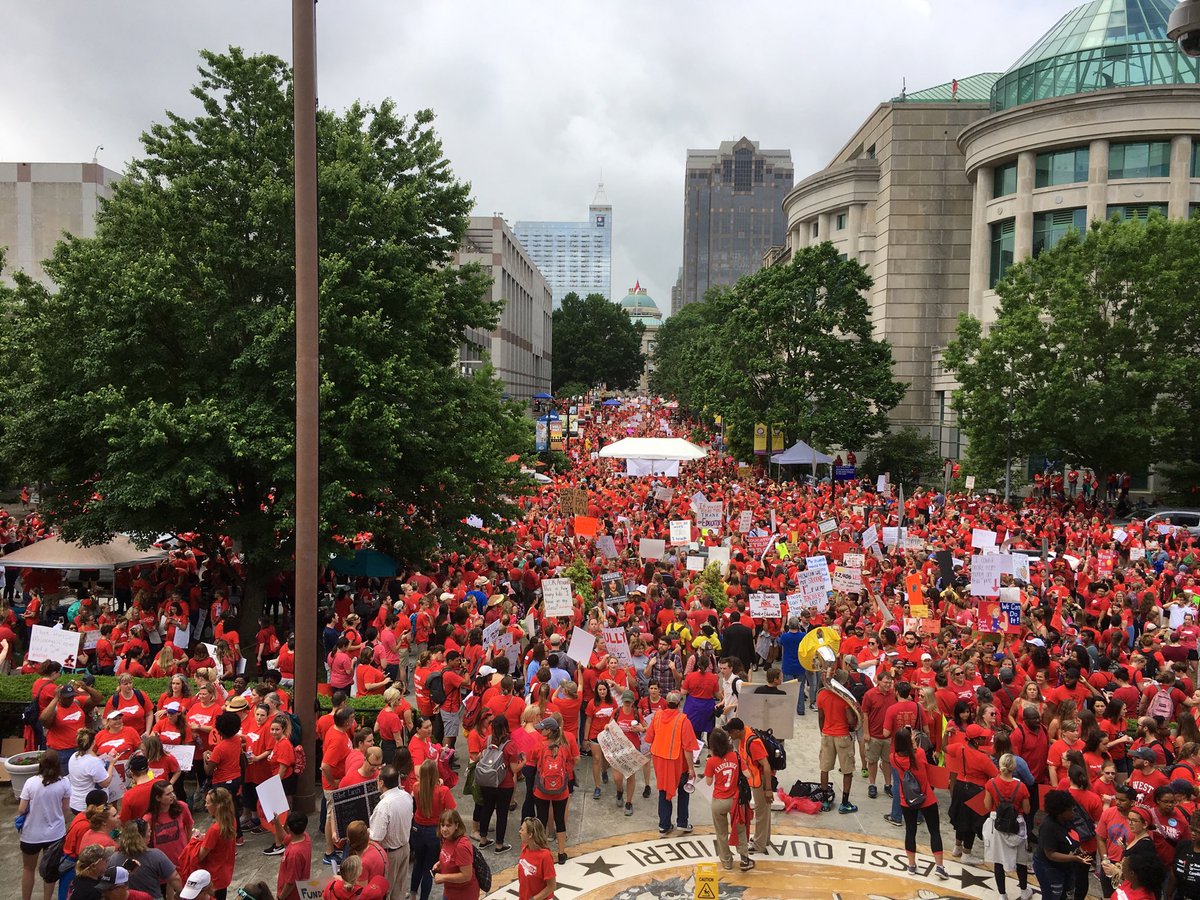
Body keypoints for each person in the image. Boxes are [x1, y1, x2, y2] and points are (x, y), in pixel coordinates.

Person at [891, 726, 950, 880]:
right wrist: (914, 744)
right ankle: (939, 867)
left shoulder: (894, 758)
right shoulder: (920, 754)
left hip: (907, 800)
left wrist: (909, 742)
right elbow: (922, 761)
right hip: (927, 799)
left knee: (910, 831)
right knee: (934, 831)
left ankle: (911, 865)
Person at [645, 691, 698, 839]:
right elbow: (688, 748)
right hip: (677, 763)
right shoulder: (683, 721)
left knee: (663, 791)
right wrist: (691, 768)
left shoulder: (657, 716)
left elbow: (649, 738)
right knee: (683, 791)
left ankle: (664, 825)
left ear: (666, 702)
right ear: (679, 704)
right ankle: (682, 822)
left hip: (660, 761)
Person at [18, 753, 70, 900]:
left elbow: (22, 809)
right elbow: (65, 809)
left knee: (28, 869)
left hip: (31, 834)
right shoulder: (64, 782)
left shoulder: (30, 782)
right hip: (55, 834)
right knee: (50, 872)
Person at [983, 753, 1033, 900]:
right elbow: (1028, 809)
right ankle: (1024, 891)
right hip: (1017, 826)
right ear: (1014, 767)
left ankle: (1002, 894)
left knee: (998, 860)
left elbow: (987, 806)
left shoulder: (991, 784)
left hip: (997, 825)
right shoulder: (1021, 787)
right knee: (1021, 861)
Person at [704, 727, 750, 872]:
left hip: (719, 801)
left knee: (721, 833)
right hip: (735, 800)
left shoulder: (711, 761)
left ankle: (727, 862)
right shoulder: (736, 756)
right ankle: (744, 857)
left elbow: (709, 782)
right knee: (740, 829)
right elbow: (748, 775)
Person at [724, 717, 771, 857]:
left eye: (731, 732)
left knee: (761, 812)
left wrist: (768, 789)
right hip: (757, 779)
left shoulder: (753, 743)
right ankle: (764, 839)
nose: (729, 735)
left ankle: (759, 845)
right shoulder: (744, 736)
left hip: (761, 781)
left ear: (738, 731)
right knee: (764, 810)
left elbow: (766, 766)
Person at [529, 717, 573, 865]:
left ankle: (544, 853)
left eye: (543, 728)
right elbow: (569, 761)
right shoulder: (564, 746)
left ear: (549, 731)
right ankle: (561, 854)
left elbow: (533, 759)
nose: (541, 730)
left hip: (541, 790)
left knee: (541, 820)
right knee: (560, 821)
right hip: (561, 791)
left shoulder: (540, 745)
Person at [475, 714, 523, 853]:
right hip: (504, 784)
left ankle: (483, 840)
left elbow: (481, 756)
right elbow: (514, 769)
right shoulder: (510, 745)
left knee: (487, 809)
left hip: (486, 782)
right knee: (502, 814)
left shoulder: (487, 740)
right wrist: (523, 763)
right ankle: (499, 845)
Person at [410, 758, 457, 900]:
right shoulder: (443, 791)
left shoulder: (416, 787)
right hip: (434, 832)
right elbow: (452, 810)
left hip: (417, 829)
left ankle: (412, 893)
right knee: (429, 868)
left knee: (418, 862)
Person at [1034, 790, 1092, 900]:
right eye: (1070, 810)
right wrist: (1074, 858)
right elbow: (1050, 854)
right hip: (1049, 868)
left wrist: (1079, 850)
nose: (1073, 812)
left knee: (1065, 893)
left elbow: (1072, 837)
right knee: (1053, 895)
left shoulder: (1067, 820)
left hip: (1066, 866)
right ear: (1060, 812)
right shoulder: (1048, 827)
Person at [817, 670, 860, 814]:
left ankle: (824, 801)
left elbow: (821, 717)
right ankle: (845, 803)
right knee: (847, 770)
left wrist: (822, 731)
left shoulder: (821, 695)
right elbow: (849, 720)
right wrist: (855, 722)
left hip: (827, 735)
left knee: (825, 768)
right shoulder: (844, 698)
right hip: (842, 735)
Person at [368, 764, 412, 900]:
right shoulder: (407, 796)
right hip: (405, 848)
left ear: (381, 782)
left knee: (386, 891)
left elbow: (376, 837)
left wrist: (367, 830)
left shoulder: (384, 806)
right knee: (399, 891)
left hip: (390, 855)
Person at [111, 819, 181, 900]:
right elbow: (175, 878)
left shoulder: (113, 859)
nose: (151, 832)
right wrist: (180, 893)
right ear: (141, 836)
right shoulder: (155, 855)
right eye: (148, 831)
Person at [195, 787, 237, 900]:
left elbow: (199, 856)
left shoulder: (214, 830)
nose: (205, 805)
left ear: (217, 806)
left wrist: (195, 840)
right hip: (225, 874)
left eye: (207, 802)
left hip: (213, 879)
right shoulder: (231, 820)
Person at [432, 809, 480, 900]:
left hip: (463, 895)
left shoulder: (461, 847)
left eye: (448, 825)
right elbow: (450, 857)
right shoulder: (447, 838)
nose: (444, 829)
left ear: (457, 825)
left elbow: (466, 875)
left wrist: (443, 877)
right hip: (450, 892)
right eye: (442, 825)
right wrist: (440, 863)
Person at [145, 780, 193, 867]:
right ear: (158, 798)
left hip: (183, 858)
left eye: (172, 792)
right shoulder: (149, 818)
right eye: (168, 794)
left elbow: (189, 825)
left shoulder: (182, 807)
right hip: (162, 863)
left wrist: (188, 846)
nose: (172, 796)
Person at [68, 727, 115, 814]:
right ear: (93, 742)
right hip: (89, 806)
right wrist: (111, 764)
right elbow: (105, 783)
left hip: (75, 802)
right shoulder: (93, 762)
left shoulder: (74, 756)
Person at [516, 817, 557, 900]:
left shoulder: (545, 856)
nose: (519, 832)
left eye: (522, 830)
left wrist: (534, 899)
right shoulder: (524, 847)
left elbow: (551, 886)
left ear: (530, 834)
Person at [275, 812, 312, 900]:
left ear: (288, 828)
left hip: (291, 896)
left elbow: (291, 882)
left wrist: (280, 898)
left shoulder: (294, 854)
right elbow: (283, 838)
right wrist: (277, 822)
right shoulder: (305, 836)